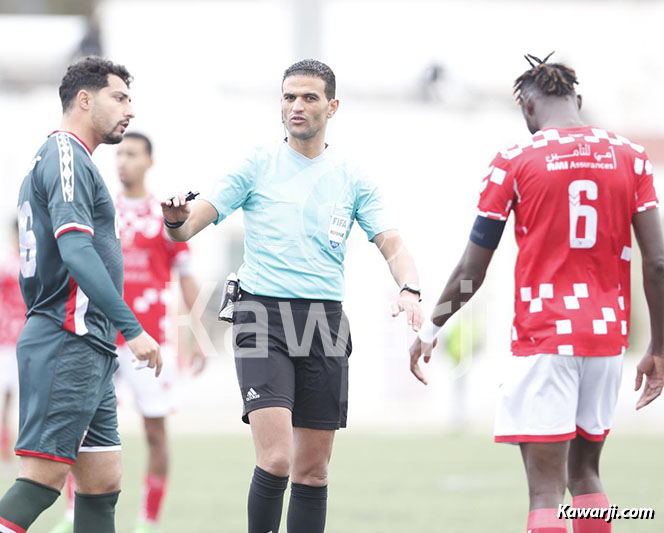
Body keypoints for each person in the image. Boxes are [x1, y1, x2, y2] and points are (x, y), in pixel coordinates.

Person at [162, 59, 423, 533]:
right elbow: (190, 225)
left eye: (308, 97)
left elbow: (394, 243)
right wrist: (177, 218)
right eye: (288, 97)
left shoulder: (352, 175)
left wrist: (409, 288)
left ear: (332, 106)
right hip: (261, 316)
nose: (296, 106)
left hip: (324, 321)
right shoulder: (255, 163)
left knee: (313, 469)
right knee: (278, 458)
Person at [409, 53, 664, 533]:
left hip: (545, 337)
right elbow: (658, 263)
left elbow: (472, 267)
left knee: (546, 489)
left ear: (527, 109)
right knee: (586, 473)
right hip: (607, 340)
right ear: (578, 100)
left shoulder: (516, 159)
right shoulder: (631, 157)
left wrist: (431, 325)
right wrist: (659, 347)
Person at [0, 56, 162, 533]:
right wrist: (132, 328)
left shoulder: (73, 160)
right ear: (85, 100)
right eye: (120, 98)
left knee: (101, 481)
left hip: (88, 343)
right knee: (43, 480)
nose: (130, 110)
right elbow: (75, 249)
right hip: (66, 337)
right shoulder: (66, 156)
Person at [50, 132, 205, 533]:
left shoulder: (165, 214)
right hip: (100, 338)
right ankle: (72, 516)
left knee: (154, 432)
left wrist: (199, 335)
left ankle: (148, 521)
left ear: (149, 162)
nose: (123, 161)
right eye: (120, 154)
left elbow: (186, 279)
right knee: (81, 428)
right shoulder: (104, 211)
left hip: (150, 343)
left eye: (133, 154)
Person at [0, 222, 24, 468]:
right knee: (6, 397)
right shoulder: (5, 261)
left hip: (29, 339)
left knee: (27, 397)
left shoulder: (33, 258)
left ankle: (25, 449)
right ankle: (4, 452)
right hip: (6, 340)